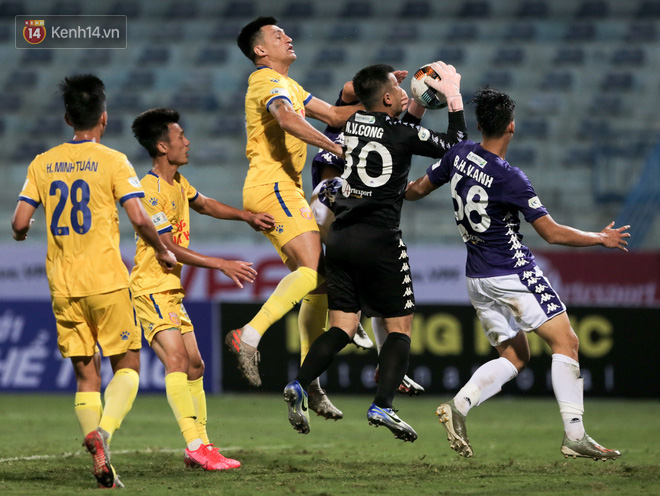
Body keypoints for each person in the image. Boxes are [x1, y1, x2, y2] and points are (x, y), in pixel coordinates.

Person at [405, 87, 628, 460]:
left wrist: (383, 190)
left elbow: (416, 190)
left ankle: (459, 406)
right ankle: (575, 435)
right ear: (512, 126)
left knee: (515, 357)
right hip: (510, 271)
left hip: (476, 278)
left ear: (479, 125)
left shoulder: (458, 154)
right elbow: (551, 232)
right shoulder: (510, 177)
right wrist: (599, 238)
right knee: (567, 343)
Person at [283, 62, 467, 442]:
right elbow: (455, 145)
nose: (402, 95)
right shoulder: (400, 133)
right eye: (394, 92)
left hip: (341, 238)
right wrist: (453, 97)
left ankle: (300, 383)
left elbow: (390, 126)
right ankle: (383, 403)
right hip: (380, 239)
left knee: (343, 326)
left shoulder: (348, 125)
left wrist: (411, 102)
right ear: (385, 97)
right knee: (399, 326)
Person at [11, 75, 177, 488]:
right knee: (130, 366)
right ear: (103, 118)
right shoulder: (115, 161)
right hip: (106, 280)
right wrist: (160, 248)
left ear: (68, 117)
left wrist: (21, 235)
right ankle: (102, 433)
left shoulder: (41, 162)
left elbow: (18, 222)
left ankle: (102, 464)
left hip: (63, 286)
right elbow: (139, 217)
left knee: (87, 377)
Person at [227, 16, 362, 420]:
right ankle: (247, 336)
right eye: (277, 35)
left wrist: (388, 103)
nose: (288, 37)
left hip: (283, 187)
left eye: (287, 32)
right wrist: (337, 152)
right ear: (260, 51)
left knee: (317, 281)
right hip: (272, 185)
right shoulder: (264, 81)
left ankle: (310, 380)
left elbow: (337, 117)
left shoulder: (292, 86)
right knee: (313, 268)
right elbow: (287, 119)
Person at [130, 108, 274, 470]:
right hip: (150, 288)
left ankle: (202, 446)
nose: (187, 141)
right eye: (180, 137)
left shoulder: (179, 183)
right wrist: (221, 263)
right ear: (163, 146)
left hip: (169, 289)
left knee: (195, 365)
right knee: (177, 360)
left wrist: (247, 216)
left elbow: (205, 204)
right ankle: (195, 444)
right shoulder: (148, 190)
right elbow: (168, 246)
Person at [309, 80, 425, 396]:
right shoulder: (354, 123)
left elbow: (404, 129)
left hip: (328, 206)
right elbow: (352, 90)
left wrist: (417, 98)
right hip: (336, 198)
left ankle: (383, 361)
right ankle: (358, 313)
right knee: (374, 277)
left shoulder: (352, 123)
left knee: (377, 293)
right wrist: (397, 89)